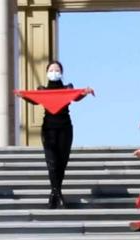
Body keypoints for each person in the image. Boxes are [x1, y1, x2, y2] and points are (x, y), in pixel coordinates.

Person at [32, 61, 94, 209]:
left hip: (65, 129)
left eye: (57, 69)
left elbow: (76, 97)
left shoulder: (68, 88)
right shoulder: (42, 89)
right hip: (48, 129)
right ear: (47, 72)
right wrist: (22, 95)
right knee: (52, 162)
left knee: (62, 162)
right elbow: (34, 100)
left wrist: (84, 93)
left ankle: (55, 194)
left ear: (61, 72)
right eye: (51, 69)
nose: (54, 72)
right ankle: (57, 194)